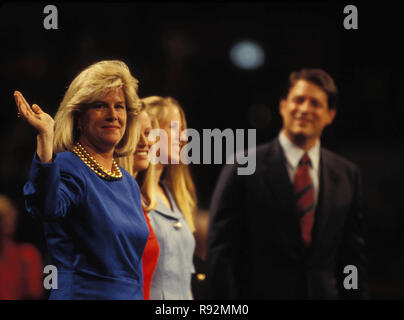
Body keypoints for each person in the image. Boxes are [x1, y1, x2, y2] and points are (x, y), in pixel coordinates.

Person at [206, 68, 369, 299]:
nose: (304, 109)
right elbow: (220, 251)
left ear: (330, 115)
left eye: (315, 103)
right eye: (298, 100)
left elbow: (352, 259)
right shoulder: (243, 166)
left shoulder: (347, 175)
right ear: (283, 105)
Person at [13, 60, 149, 299]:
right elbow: (45, 206)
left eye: (119, 106)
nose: (113, 115)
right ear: (79, 116)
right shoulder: (69, 166)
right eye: (100, 105)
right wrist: (46, 140)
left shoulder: (127, 181)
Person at [142, 96, 197, 300]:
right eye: (174, 128)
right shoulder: (131, 197)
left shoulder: (174, 197)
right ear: (150, 131)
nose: (183, 137)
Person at [116, 104, 160, 300]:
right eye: (136, 134)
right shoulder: (110, 200)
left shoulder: (142, 201)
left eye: (148, 133)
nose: (144, 142)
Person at [0, 194, 43, 300]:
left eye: (10, 214)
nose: (7, 220)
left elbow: (35, 294)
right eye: (1, 217)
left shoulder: (27, 254)